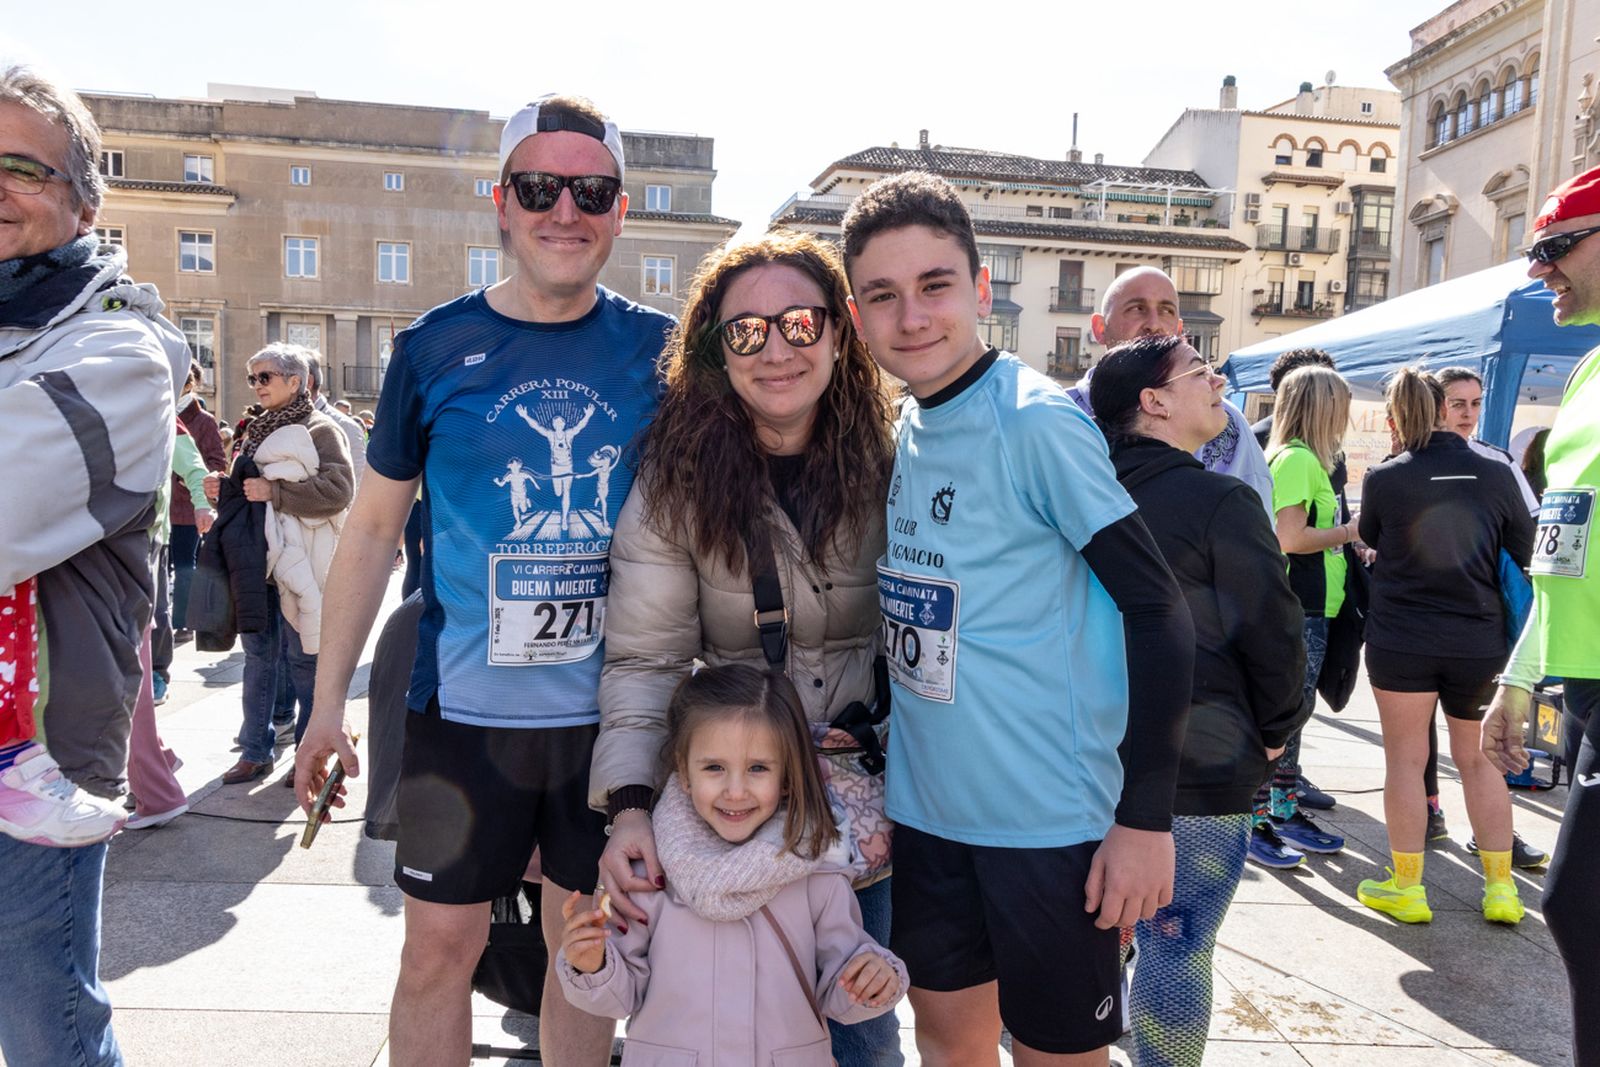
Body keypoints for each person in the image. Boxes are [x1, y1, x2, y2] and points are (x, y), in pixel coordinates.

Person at [295, 92, 670, 1067]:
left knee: (585, 953)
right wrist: (325, 705)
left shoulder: (660, 350)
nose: (565, 210)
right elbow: (371, 528)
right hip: (460, 718)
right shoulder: (431, 348)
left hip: (609, 724)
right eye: (539, 188)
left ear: (621, 211)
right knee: (436, 954)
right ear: (500, 202)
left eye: (591, 191)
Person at [840, 170, 1194, 1066]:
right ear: (856, 315)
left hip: (1049, 827)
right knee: (947, 1041)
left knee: (1056, 1056)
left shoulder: (1035, 421)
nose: (912, 316)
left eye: (934, 285)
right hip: (929, 817)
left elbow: (1159, 610)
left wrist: (1145, 818)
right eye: (883, 295)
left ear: (980, 289)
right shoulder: (908, 426)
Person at [591, 229, 900, 1066]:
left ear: (839, 331)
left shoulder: (896, 461)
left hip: (870, 801)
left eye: (799, 323)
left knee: (865, 1023)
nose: (775, 349)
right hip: (734, 801)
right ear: (714, 349)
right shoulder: (676, 480)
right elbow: (646, 659)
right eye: (745, 330)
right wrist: (630, 807)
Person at [0, 64, 187, 1067]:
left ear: (84, 201)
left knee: (50, 1034)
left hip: (37, 759)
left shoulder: (120, 351)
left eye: (21, 167)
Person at [1091, 334, 1307, 1067]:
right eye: (1200, 370)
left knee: (1081, 938)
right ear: (1153, 402)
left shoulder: (1078, 496)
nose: (1218, 381)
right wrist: (1276, 731)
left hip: (1079, 757)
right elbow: (1274, 632)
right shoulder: (1219, 500)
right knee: (1177, 943)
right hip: (1198, 763)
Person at [561, 665, 907, 1064]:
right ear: (684, 771)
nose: (736, 791)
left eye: (758, 768)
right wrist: (592, 964)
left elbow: (841, 980)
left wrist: (874, 977)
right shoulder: (650, 874)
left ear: (787, 776)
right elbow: (622, 996)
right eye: (714, 767)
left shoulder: (817, 872)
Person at [1482, 163, 1600, 1067]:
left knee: (1580, 903)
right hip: (1586, 686)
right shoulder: (1589, 370)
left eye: (1556, 245)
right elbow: (1565, 547)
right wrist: (1520, 678)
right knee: (1580, 907)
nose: (1538, 269)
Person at [1355, 367, 1535, 924]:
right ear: (1442, 408)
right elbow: (1525, 548)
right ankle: (1501, 889)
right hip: (1478, 639)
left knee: (1406, 761)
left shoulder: (1385, 477)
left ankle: (1408, 889)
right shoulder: (1497, 473)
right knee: (1481, 761)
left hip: (1401, 638)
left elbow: (1371, 538)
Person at [211, 343, 353, 785]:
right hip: (257, 561)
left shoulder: (322, 429)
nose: (257, 385)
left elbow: (339, 491)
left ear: (296, 381)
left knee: (304, 662)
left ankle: (307, 756)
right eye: (252, 378)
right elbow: (248, 491)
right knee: (258, 658)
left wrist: (276, 493)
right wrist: (223, 489)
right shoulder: (253, 430)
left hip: (302, 563)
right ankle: (255, 751)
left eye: (265, 377)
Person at [1249, 365, 1353, 868]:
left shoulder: (1301, 458)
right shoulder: (1297, 460)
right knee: (1283, 716)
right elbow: (1289, 537)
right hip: (1300, 604)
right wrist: (1353, 532)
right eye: (1341, 407)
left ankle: (1280, 811)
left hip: (1311, 604)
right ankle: (1258, 820)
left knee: (1292, 715)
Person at [1087, 266, 1275, 514]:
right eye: (1136, 308)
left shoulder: (1226, 423)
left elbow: (1255, 515)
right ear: (1100, 328)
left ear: (1178, 330)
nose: (1154, 325)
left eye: (1166, 310)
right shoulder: (1064, 415)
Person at [1436, 366, 1541, 516]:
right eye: (1458, 404)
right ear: (1437, 406)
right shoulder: (1415, 458)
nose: (1468, 413)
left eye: (1475, 403)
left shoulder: (1499, 460)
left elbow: (1530, 517)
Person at [172, 361, 226, 645]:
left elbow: (217, 461)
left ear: (189, 385)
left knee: (184, 565)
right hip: (161, 507)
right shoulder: (160, 411)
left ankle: (183, 622)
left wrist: (197, 482)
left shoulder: (203, 420)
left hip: (188, 505)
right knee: (162, 567)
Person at [306, 349, 367, 487]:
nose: (259, 386)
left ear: (308, 382)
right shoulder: (269, 423)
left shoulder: (346, 427)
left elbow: (356, 486)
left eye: (267, 378)